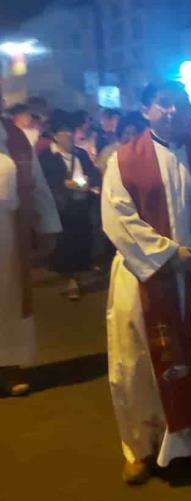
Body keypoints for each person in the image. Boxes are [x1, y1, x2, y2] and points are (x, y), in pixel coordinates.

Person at [102, 81, 191, 484]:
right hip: (142, 277)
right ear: (146, 110)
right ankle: (140, 446)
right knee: (136, 363)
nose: (173, 111)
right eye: (164, 104)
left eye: (180, 104)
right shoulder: (122, 161)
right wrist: (166, 254)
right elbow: (117, 217)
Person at [0, 85, 61, 397]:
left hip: (8, 234)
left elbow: (36, 185)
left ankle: (8, 367)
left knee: (7, 301)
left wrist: (48, 225)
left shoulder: (15, 138)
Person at [39, 110, 101, 301]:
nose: (69, 136)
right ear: (56, 135)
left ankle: (80, 271)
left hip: (82, 204)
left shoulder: (80, 154)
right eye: (65, 133)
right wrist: (64, 185)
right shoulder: (47, 156)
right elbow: (44, 181)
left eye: (71, 132)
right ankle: (72, 279)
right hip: (62, 206)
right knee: (66, 243)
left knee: (83, 238)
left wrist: (89, 182)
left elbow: (94, 173)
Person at [95, 112, 148, 176]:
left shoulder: (140, 151)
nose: (131, 137)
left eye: (134, 134)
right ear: (121, 133)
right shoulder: (109, 151)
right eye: (127, 133)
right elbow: (100, 170)